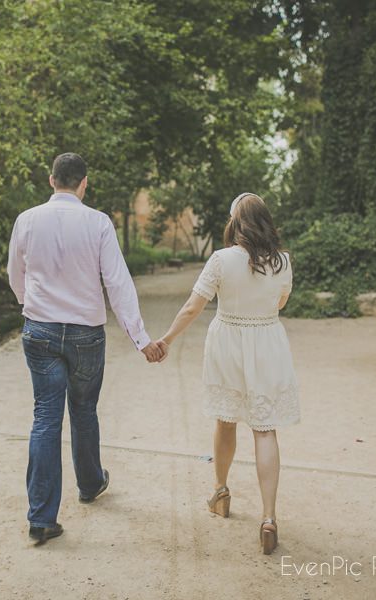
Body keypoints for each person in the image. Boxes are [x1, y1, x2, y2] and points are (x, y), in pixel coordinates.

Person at [7, 152, 167, 544]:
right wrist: (141, 339)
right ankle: (91, 484)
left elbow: (16, 273)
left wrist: (30, 304)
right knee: (83, 410)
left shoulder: (26, 220)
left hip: (40, 331)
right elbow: (117, 282)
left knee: (46, 417)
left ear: (51, 180)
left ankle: (41, 518)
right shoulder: (98, 222)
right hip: (85, 334)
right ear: (84, 184)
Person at [156, 192, 299, 555]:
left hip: (227, 344)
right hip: (267, 342)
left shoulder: (220, 260)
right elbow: (280, 302)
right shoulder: (283, 261)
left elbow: (193, 307)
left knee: (225, 421)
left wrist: (167, 339)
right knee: (265, 429)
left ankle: (220, 491)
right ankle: (268, 518)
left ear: (235, 223)